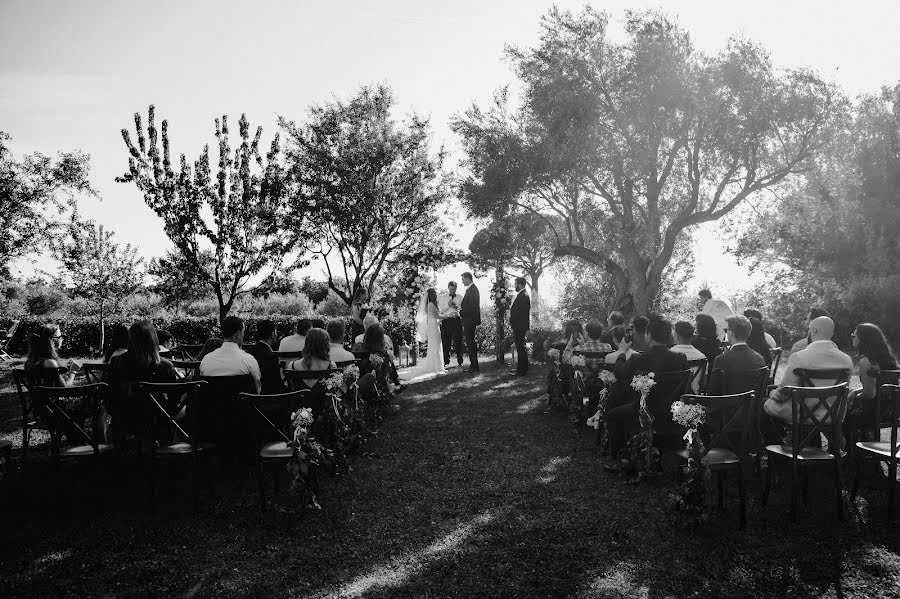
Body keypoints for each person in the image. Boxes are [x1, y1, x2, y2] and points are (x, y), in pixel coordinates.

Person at [604, 318, 689, 463]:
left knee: (612, 415)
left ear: (648, 334)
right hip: (672, 411)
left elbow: (620, 372)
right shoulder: (680, 359)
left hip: (643, 411)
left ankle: (617, 456)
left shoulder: (639, 359)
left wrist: (622, 352)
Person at [764, 316, 852, 426]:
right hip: (832, 415)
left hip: (801, 415)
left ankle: (779, 440)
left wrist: (772, 394)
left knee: (766, 404)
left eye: (809, 329)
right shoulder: (847, 360)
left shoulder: (799, 357)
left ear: (813, 331)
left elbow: (784, 391)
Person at [105, 320, 178, 437]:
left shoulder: (116, 363)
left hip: (123, 424)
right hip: (156, 426)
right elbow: (174, 400)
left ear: (131, 340)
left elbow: (109, 396)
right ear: (153, 339)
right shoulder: (165, 366)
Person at [847, 323, 898, 439]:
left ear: (863, 339)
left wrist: (853, 397)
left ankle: (853, 450)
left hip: (876, 411)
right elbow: (880, 386)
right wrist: (855, 392)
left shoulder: (866, 361)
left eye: (854, 335)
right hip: (892, 410)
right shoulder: (888, 360)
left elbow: (870, 394)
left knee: (841, 412)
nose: (852, 338)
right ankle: (864, 447)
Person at [199, 316, 261, 394]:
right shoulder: (248, 360)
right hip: (241, 405)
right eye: (243, 332)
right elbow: (257, 390)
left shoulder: (206, 360)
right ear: (238, 334)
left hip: (212, 405)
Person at [707, 315, 767, 396]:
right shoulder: (759, 359)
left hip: (725, 407)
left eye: (726, 330)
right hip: (751, 407)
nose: (726, 333)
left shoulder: (721, 360)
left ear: (731, 333)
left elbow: (713, 394)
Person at [288, 328, 336, 415]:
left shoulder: (292, 366)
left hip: (299, 414)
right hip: (322, 415)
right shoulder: (331, 365)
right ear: (325, 345)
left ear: (306, 344)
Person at [246, 319, 284, 395]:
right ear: (273, 334)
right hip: (267, 397)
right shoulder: (271, 357)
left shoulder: (249, 352)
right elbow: (275, 385)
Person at [670, 321, 708, 393]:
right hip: (693, 399)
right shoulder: (702, 357)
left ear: (676, 335)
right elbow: (703, 383)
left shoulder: (670, 354)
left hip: (673, 397)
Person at [417, 288, 445, 375]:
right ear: (432, 295)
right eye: (435, 294)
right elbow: (438, 316)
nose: (436, 295)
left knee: (435, 345)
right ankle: (436, 367)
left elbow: (436, 316)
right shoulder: (431, 305)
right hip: (433, 327)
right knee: (435, 345)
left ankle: (438, 366)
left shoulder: (430, 304)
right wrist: (450, 316)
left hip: (434, 326)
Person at [459, 272, 481, 373]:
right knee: (470, 342)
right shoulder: (471, 289)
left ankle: (475, 366)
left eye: (463, 279)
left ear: (468, 279)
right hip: (469, 319)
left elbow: (472, 307)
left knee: (471, 343)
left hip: (470, 320)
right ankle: (473, 365)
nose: (462, 281)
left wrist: (461, 312)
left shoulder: (473, 290)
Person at [509, 277, 531, 376]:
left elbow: (519, 312)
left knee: (520, 348)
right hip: (520, 325)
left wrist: (512, 320)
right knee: (520, 347)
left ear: (520, 284)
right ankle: (522, 368)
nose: (515, 286)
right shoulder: (522, 295)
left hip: (519, 326)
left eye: (515, 284)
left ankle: (521, 371)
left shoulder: (524, 295)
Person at [440, 281, 465, 369]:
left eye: (454, 289)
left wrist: (457, 308)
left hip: (457, 320)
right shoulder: (443, 298)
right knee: (446, 342)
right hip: (446, 321)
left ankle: (460, 361)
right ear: (448, 288)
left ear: (456, 288)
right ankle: (446, 361)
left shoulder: (460, 297)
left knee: (458, 342)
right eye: (451, 289)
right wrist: (448, 305)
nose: (453, 291)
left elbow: (463, 309)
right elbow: (441, 310)